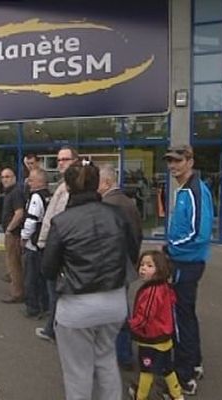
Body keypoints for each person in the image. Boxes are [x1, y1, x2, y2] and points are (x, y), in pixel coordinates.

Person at [42, 161, 140, 400]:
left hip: (77, 306)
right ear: (98, 184)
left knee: (78, 370)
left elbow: (48, 268)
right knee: (106, 359)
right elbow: (131, 251)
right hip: (114, 302)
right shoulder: (117, 215)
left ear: (67, 186)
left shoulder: (62, 222)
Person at [163, 145, 214, 396]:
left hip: (187, 263)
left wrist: (170, 248)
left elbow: (199, 233)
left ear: (190, 161)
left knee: (180, 318)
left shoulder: (195, 190)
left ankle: (183, 376)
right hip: (184, 261)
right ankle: (193, 364)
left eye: (177, 161)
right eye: (170, 161)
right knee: (186, 315)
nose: (173, 166)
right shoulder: (184, 190)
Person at [98, 165, 143, 370]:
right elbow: (136, 236)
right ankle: (123, 353)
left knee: (114, 313)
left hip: (112, 267)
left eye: (97, 182)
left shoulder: (108, 205)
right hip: (125, 265)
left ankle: (120, 354)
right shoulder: (128, 202)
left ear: (107, 182)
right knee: (121, 308)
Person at [34, 146, 78, 343]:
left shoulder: (72, 187)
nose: (61, 162)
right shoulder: (63, 184)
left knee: (57, 293)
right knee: (54, 292)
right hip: (51, 245)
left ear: (75, 161)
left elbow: (59, 220)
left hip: (59, 248)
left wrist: (46, 243)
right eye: (59, 159)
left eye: (65, 159)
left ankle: (55, 330)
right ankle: (53, 328)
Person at [127, 250, 184, 400]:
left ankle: (141, 396)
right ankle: (177, 395)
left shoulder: (152, 291)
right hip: (164, 337)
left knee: (147, 370)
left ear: (159, 269)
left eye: (149, 265)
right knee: (167, 368)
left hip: (151, 338)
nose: (143, 268)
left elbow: (146, 315)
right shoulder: (164, 287)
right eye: (142, 265)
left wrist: (131, 325)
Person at [20, 168, 51, 318]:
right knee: (42, 278)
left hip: (34, 243)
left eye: (31, 179)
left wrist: (23, 237)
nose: (28, 182)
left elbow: (31, 220)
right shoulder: (48, 196)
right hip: (44, 243)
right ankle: (45, 305)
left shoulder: (36, 198)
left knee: (31, 278)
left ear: (40, 181)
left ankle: (32, 307)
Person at [0, 167, 26, 304]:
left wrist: (9, 229)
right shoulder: (9, 193)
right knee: (13, 263)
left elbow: (19, 213)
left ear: (14, 178)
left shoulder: (15, 193)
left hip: (14, 234)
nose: (5, 179)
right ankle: (17, 290)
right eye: (3, 177)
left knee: (13, 264)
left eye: (8, 176)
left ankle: (17, 293)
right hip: (12, 233)